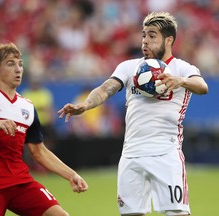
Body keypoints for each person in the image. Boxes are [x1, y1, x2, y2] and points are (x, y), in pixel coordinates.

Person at [58, 12, 208, 216]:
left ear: (169, 39)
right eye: (144, 35)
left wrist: (181, 81)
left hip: (166, 153)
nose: (145, 41)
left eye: (152, 35)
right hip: (131, 155)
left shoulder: (182, 68)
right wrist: (85, 105)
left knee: (177, 213)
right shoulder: (130, 67)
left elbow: (202, 86)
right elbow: (105, 88)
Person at [0, 42, 88, 216]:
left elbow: (39, 151)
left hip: (21, 182)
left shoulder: (27, 107)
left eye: (20, 64)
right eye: (10, 64)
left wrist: (71, 175)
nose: (18, 69)